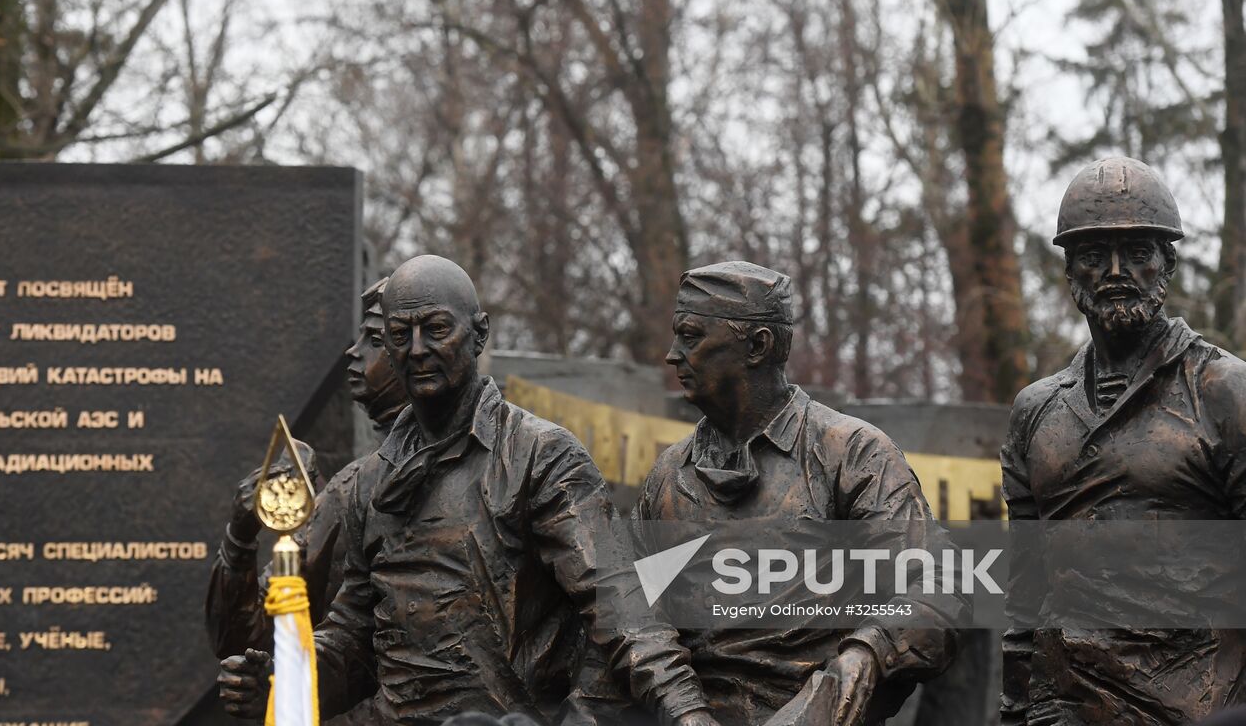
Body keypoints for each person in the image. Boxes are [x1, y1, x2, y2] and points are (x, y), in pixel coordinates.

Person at [310, 254, 719, 725]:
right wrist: (288, 674)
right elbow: (352, 631)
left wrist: (687, 713)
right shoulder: (370, 480)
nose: (417, 349)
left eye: (436, 330)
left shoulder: (539, 456)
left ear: (479, 334)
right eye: (400, 336)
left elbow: (621, 606)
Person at [633, 261, 958, 726]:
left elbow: (940, 586)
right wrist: (685, 713)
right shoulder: (668, 476)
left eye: (691, 336)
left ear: (758, 346)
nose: (672, 355)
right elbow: (636, 619)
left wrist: (864, 656)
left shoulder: (851, 453)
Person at [1001, 157, 1246, 724]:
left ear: (1168, 262)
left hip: (1198, 708)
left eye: (1137, 253)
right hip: (1064, 709)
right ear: (1069, 272)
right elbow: (1025, 587)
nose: (1116, 271)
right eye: (1093, 256)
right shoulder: (1037, 411)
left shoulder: (1223, 392)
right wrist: (1015, 709)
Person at [208, 278, 409, 717]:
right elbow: (242, 642)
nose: (353, 352)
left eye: (373, 339)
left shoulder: (510, 461)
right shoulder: (345, 493)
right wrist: (240, 537)